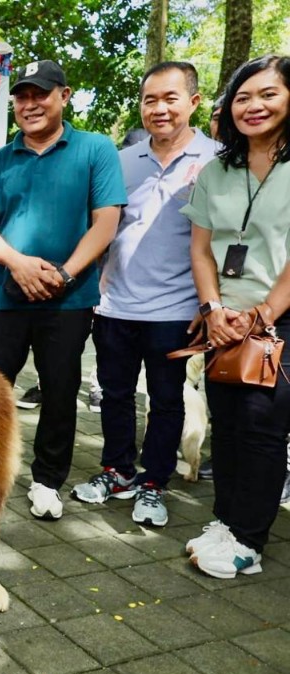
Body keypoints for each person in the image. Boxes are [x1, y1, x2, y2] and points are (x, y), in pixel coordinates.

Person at [0, 59, 126, 520]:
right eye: (22, 96)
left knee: (60, 390)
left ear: (64, 95)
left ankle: (47, 480)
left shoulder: (95, 150)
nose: (30, 104)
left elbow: (107, 221)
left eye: (40, 93)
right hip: (4, 296)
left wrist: (65, 274)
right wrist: (16, 263)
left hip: (70, 299)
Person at [72, 62, 215, 527]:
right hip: (115, 304)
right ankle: (117, 471)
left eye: (170, 98)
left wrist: (209, 303)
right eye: (150, 99)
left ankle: (154, 483)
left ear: (193, 102)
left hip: (178, 311)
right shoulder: (121, 159)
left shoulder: (217, 159)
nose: (159, 109)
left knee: (167, 400)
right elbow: (102, 226)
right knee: (113, 394)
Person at [182, 55, 290, 578]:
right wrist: (213, 309)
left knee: (262, 428)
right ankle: (226, 521)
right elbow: (202, 248)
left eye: (268, 94)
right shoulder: (216, 171)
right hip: (223, 319)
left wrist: (262, 314)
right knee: (225, 423)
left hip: (279, 320)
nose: (254, 106)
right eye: (243, 96)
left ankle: (249, 538)